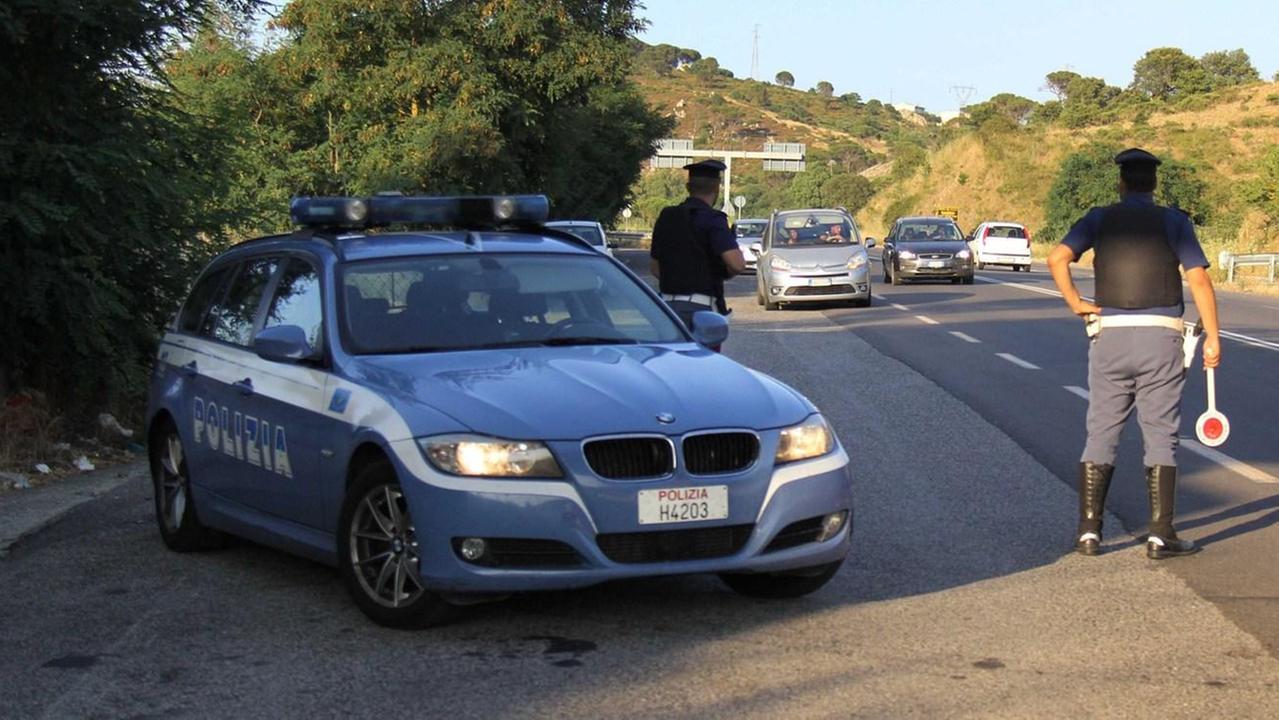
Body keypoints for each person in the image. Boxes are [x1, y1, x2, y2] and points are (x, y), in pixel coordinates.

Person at [1047, 147, 1221, 559]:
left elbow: (1057, 258)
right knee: (1161, 434)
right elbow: (1198, 280)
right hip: (1161, 339)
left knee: (1102, 431)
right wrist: (1213, 336)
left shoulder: (1100, 218)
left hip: (1110, 336)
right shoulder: (1173, 221)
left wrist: (1075, 301)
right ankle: (1162, 534)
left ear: (1121, 183)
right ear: (1154, 184)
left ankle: (1089, 532)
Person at [649, 159, 746, 329]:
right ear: (717, 188)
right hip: (702, 310)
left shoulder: (667, 217)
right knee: (704, 355)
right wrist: (720, 274)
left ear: (688, 188)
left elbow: (655, 268)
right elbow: (736, 264)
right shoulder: (714, 220)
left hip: (666, 311)